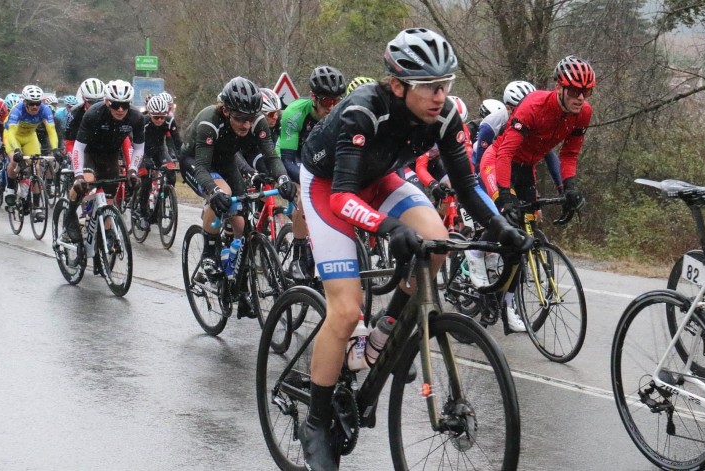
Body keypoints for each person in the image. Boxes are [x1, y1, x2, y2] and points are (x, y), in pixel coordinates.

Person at [295, 28, 531, 470]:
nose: (441, 96)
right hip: (329, 185)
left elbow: (466, 184)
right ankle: (315, 421)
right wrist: (387, 227)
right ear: (399, 85)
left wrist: (501, 228)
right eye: (430, 87)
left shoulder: (445, 118)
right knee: (345, 312)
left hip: (381, 176)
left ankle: (383, 332)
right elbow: (343, 198)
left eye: (446, 85)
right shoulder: (363, 111)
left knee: (436, 242)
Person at [476, 56, 595, 331]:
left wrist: (569, 188)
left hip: (526, 166)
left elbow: (569, 153)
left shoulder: (583, 113)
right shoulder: (534, 105)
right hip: (498, 161)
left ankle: (508, 302)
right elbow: (505, 152)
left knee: (525, 238)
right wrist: (505, 196)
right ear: (559, 87)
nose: (580, 97)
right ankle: (477, 255)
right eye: (575, 90)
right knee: (508, 219)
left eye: (586, 92)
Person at [180, 77, 297, 313]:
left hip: (226, 161)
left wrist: (283, 179)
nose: (246, 125)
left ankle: (239, 285)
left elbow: (271, 157)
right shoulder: (209, 122)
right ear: (225, 110)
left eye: (250, 118)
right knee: (222, 193)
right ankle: (208, 254)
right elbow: (203, 167)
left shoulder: (257, 121)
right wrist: (212, 191)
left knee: (243, 225)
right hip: (196, 161)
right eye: (239, 118)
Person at [64, 79, 145, 276]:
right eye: (115, 105)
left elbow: (139, 148)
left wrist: (133, 170)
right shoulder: (93, 114)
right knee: (87, 183)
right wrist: (78, 175)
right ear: (107, 102)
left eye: (124, 105)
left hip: (109, 155)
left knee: (109, 201)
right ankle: (70, 215)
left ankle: (102, 239)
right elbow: (78, 148)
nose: (120, 110)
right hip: (89, 153)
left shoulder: (135, 117)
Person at [278, 65, 347, 279]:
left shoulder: (342, 115)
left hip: (319, 158)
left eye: (337, 101)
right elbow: (287, 159)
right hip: (293, 156)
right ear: (313, 97)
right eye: (327, 101)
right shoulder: (294, 113)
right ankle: (298, 256)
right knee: (304, 196)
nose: (332, 107)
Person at [3, 84, 59, 222]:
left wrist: (56, 149)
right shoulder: (17, 110)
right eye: (31, 103)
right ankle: (10, 188)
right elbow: (11, 134)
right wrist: (16, 150)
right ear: (25, 102)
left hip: (29, 138)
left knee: (37, 168)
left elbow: (52, 131)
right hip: (12, 136)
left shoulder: (45, 110)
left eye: (37, 103)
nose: (35, 107)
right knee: (14, 160)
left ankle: (37, 207)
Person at [133, 94, 182, 230]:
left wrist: (182, 158)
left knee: (171, 173)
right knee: (147, 180)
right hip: (143, 151)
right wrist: (143, 162)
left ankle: (162, 199)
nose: (160, 120)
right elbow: (134, 143)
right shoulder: (142, 121)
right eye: (156, 117)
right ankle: (142, 214)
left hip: (159, 150)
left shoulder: (170, 121)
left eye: (163, 116)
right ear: (150, 114)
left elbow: (177, 142)